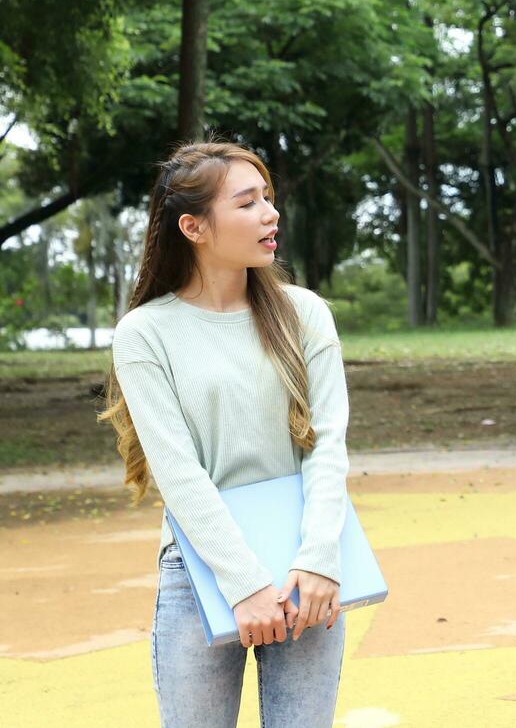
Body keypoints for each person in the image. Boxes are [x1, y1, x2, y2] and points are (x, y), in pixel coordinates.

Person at [101, 141, 350, 728]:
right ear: (194, 226)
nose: (270, 214)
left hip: (303, 570)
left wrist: (318, 559)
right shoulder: (144, 333)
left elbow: (328, 442)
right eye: (247, 202)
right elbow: (177, 472)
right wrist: (243, 584)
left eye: (268, 198)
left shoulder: (305, 313)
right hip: (198, 571)